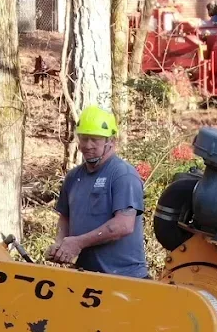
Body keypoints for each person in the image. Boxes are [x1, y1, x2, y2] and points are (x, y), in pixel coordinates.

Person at [47, 105, 149, 278]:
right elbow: (65, 217)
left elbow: (123, 225)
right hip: (86, 275)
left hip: (124, 277)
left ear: (111, 141)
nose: (88, 145)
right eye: (84, 138)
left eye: (95, 139)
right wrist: (61, 244)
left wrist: (78, 242)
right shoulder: (73, 177)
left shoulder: (122, 175)